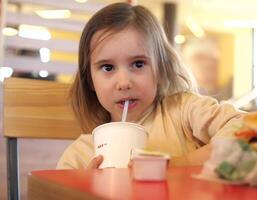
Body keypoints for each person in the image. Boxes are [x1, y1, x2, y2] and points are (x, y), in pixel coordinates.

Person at [56, 2, 245, 169]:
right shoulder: (79, 156)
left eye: (138, 64)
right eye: (107, 67)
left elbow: (245, 126)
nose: (124, 83)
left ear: (161, 70)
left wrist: (182, 163)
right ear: (90, 80)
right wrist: (84, 187)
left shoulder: (184, 111)